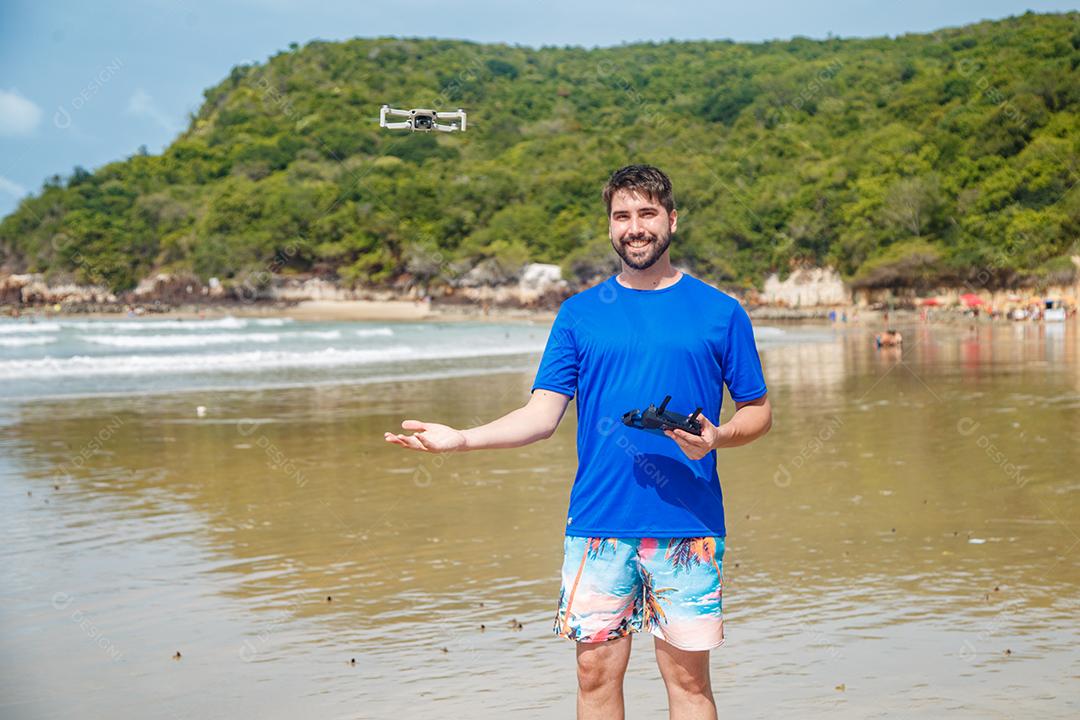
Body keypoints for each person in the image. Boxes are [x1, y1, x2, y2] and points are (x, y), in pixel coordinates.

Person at [384, 164, 772, 719]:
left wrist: (720, 436)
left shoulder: (719, 312)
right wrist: (460, 439)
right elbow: (541, 415)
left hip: (687, 525)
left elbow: (758, 412)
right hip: (597, 524)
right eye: (622, 216)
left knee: (687, 683)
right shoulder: (579, 314)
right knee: (594, 678)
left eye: (646, 214)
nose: (634, 228)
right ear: (610, 226)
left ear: (672, 220)